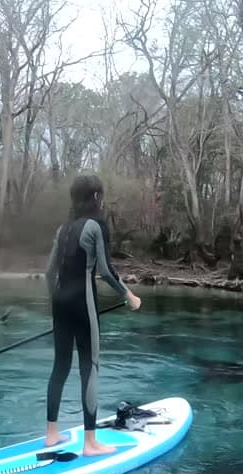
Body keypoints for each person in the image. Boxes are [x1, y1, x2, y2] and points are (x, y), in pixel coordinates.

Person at [43, 174, 141, 455]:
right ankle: (90, 442)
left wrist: (57, 305)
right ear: (96, 197)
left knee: (59, 367)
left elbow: (49, 274)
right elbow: (107, 272)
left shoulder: (62, 230)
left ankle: (51, 434)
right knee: (90, 367)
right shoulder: (95, 227)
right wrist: (129, 296)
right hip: (83, 305)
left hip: (60, 304)